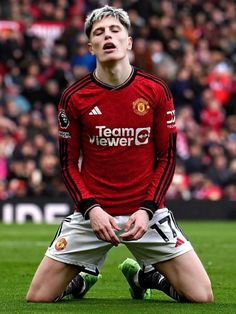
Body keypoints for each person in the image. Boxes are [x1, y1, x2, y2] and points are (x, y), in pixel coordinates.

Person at [26, 5, 213, 303]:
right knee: (38, 297)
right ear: (91, 46)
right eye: (99, 33)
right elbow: (67, 164)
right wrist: (92, 210)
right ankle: (81, 281)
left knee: (202, 296)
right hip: (94, 214)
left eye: (115, 30)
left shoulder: (155, 90)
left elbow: (167, 159)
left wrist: (147, 209)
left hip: (147, 214)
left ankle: (146, 275)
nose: (107, 36)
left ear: (128, 42)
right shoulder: (74, 97)